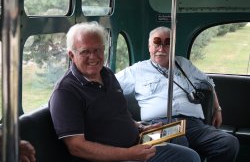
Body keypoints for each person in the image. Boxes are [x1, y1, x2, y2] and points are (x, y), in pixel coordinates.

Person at [49, 22, 201, 162]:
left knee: (177, 136)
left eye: (98, 50)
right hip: (118, 156)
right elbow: (77, 147)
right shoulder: (66, 92)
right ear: (71, 55)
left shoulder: (107, 74)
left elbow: (117, 114)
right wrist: (130, 154)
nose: (93, 57)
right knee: (189, 158)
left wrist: (139, 126)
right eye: (85, 52)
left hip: (138, 140)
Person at [115, 26, 240, 162]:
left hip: (193, 125)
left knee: (229, 143)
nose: (161, 49)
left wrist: (217, 109)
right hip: (157, 126)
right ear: (149, 46)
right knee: (182, 147)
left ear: (173, 46)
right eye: (157, 43)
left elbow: (208, 84)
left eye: (167, 43)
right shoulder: (137, 70)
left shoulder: (184, 64)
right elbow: (110, 85)